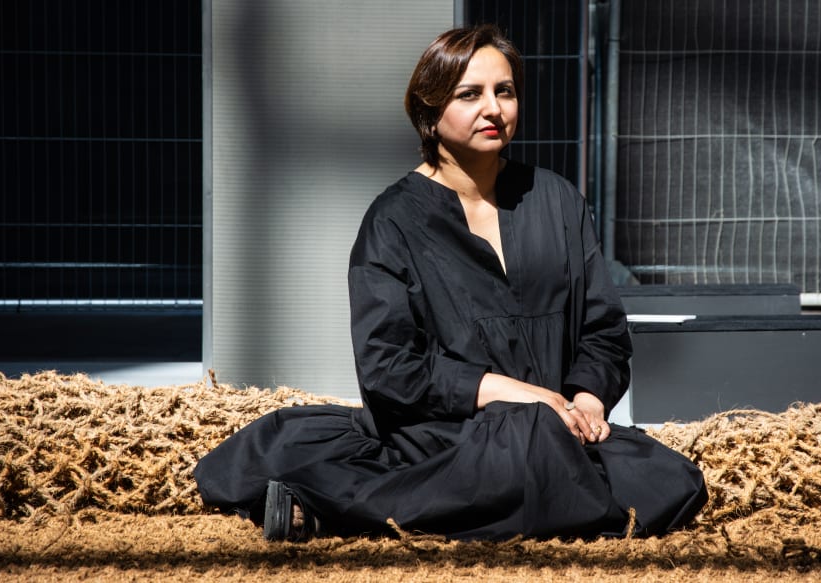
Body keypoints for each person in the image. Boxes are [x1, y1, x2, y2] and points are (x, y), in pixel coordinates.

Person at [193, 24, 707, 542]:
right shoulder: (392, 220)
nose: (494, 109)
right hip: (442, 435)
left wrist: (588, 400)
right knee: (531, 449)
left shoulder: (556, 199)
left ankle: (344, 510)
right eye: (470, 95)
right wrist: (516, 395)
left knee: (673, 482)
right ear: (429, 111)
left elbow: (604, 329)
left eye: (504, 91)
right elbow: (388, 366)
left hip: (560, 429)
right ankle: (485, 497)